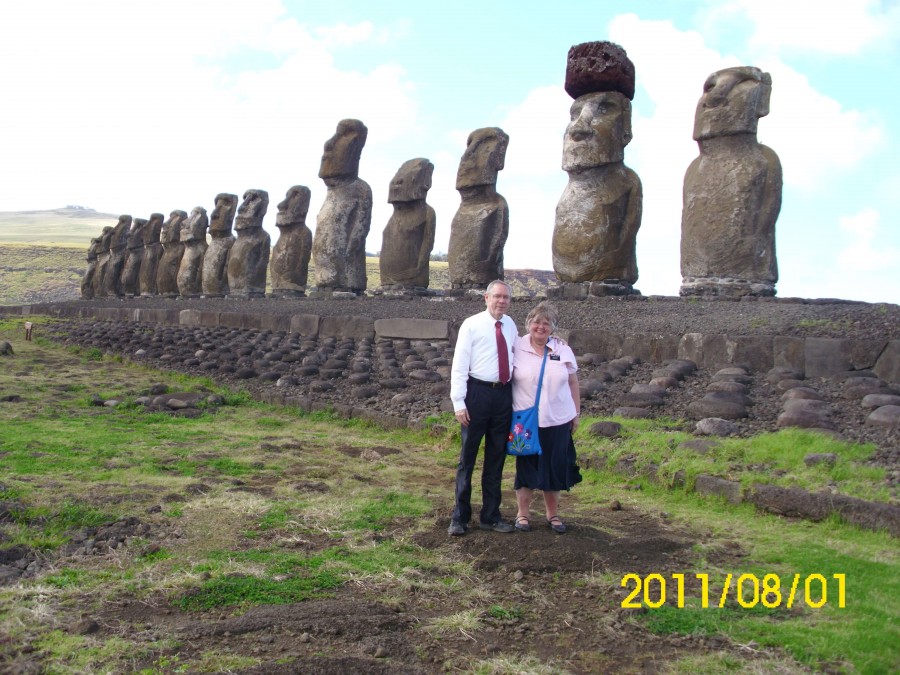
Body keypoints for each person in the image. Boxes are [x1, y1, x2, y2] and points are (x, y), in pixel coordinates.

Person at [448, 280, 517, 536]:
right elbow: (459, 364)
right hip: (477, 393)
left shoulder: (510, 325)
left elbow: (515, 358)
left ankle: (490, 515)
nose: (502, 301)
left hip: (502, 395)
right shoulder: (472, 324)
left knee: (496, 458)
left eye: (506, 298)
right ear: (486, 297)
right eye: (497, 296)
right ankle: (460, 517)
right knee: (468, 458)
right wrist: (459, 402)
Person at [511, 301, 581, 533]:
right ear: (528, 324)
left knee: (554, 468)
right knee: (526, 467)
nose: (541, 327)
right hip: (527, 421)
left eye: (546, 323)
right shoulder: (516, 346)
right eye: (537, 322)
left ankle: (553, 515)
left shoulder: (562, 349)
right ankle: (522, 514)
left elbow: (572, 381)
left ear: (553, 328)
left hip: (558, 419)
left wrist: (576, 414)